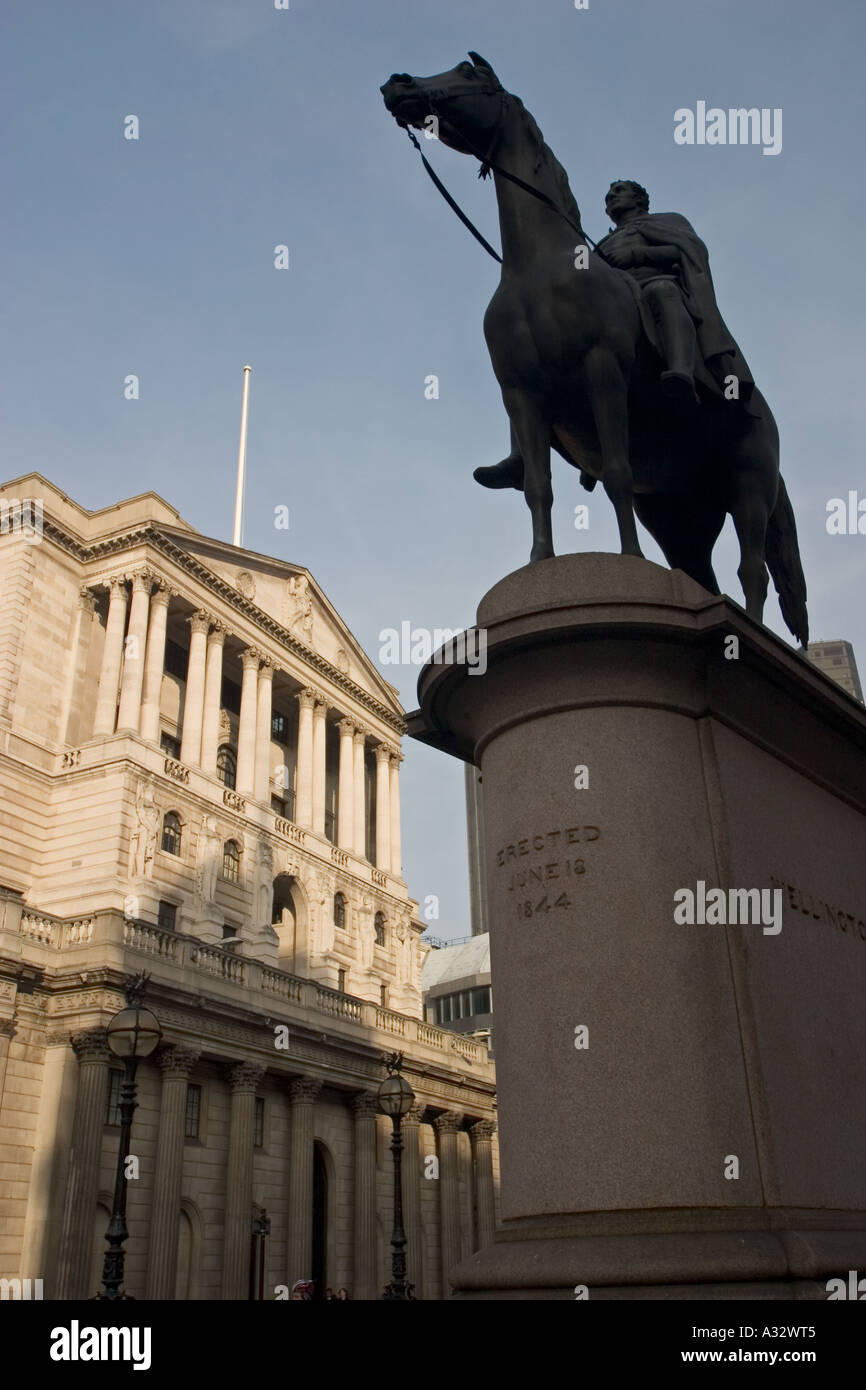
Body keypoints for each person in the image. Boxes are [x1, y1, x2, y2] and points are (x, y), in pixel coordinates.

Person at [595, 180, 756, 411]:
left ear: (639, 199)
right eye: (608, 195)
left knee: (662, 290)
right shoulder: (603, 243)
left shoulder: (668, 221)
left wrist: (638, 254)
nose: (611, 196)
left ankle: (681, 371)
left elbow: (689, 251)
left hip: (654, 286)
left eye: (619, 191)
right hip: (615, 296)